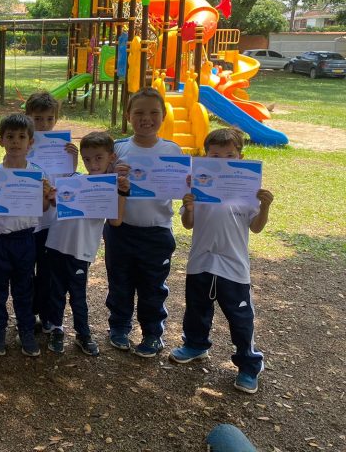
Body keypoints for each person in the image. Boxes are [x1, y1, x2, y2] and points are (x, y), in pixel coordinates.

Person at [169, 128, 273, 394]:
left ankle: (249, 364)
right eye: (215, 156)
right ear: (205, 157)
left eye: (230, 155)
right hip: (201, 261)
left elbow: (256, 227)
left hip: (233, 265)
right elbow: (188, 224)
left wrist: (265, 206)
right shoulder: (198, 187)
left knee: (240, 318)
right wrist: (189, 207)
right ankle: (196, 345)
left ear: (240, 157)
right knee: (197, 309)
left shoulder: (248, 192)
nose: (222, 161)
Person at [103, 87, 182, 357]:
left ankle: (152, 333)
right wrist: (112, 174)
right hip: (120, 231)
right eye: (138, 112)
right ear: (128, 115)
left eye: (153, 113)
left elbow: (181, 187)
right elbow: (99, 184)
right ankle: (119, 327)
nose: (146, 118)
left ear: (163, 116)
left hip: (157, 232)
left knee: (153, 287)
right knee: (119, 282)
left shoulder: (172, 150)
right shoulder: (117, 149)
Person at [45, 132, 129, 356]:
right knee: (56, 293)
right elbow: (55, 206)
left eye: (99, 158)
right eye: (88, 159)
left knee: (78, 296)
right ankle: (56, 329)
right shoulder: (72, 181)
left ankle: (83, 333)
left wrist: (122, 192)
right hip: (56, 245)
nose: (93, 164)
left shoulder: (110, 188)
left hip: (81, 251)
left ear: (111, 157)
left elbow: (116, 221)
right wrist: (52, 198)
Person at [0, 114, 51, 357]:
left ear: (31, 142)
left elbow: (42, 209)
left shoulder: (37, 174)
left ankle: (26, 329)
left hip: (26, 239)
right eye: (10, 136)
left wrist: (45, 195)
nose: (16, 142)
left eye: (21, 137)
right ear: (1, 141)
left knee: (24, 288)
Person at [24, 91, 78, 332]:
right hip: (28, 222)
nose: (43, 125)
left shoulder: (62, 149)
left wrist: (73, 162)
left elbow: (69, 181)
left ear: (56, 119)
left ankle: (47, 316)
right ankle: (27, 315)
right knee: (26, 272)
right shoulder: (22, 145)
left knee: (48, 272)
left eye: (49, 119)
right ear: (28, 117)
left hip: (52, 223)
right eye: (37, 119)